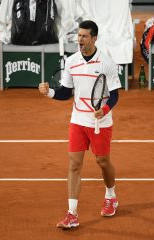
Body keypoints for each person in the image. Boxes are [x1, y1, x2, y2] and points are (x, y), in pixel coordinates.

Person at [38, 20, 121, 229]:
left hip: (100, 121)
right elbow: (66, 92)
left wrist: (104, 110)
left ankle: (111, 194)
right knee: (74, 165)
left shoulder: (106, 63)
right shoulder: (72, 61)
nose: (80, 40)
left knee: (102, 162)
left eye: (84, 36)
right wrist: (49, 92)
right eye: (79, 36)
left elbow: (114, 95)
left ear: (94, 38)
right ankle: (72, 213)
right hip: (78, 119)